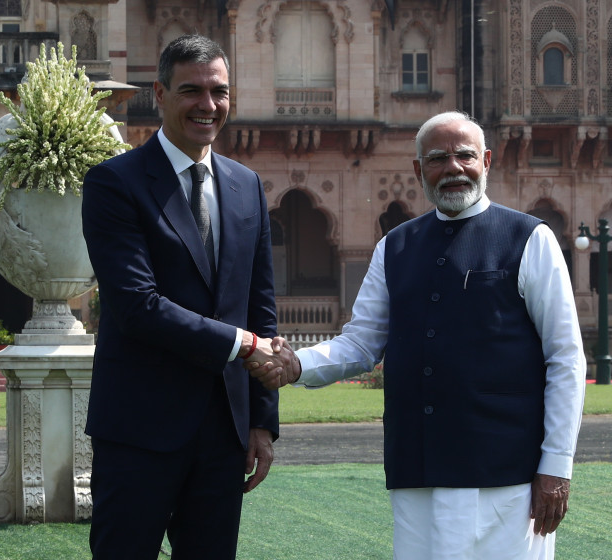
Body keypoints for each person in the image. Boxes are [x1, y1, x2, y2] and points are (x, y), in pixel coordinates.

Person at [249, 111, 586, 559]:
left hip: (506, 473)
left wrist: (556, 466)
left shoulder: (528, 239)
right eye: (437, 159)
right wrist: (297, 365)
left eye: (464, 155)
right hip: (418, 468)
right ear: (418, 170)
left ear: (486, 160)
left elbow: (565, 358)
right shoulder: (396, 246)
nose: (453, 168)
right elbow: (362, 341)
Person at [81, 35, 284, 559]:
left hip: (224, 432)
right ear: (161, 93)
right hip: (139, 429)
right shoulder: (115, 182)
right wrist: (240, 344)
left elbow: (261, 307)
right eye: (191, 90)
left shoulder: (246, 186)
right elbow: (135, 304)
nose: (208, 105)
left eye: (219, 91)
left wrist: (262, 421)